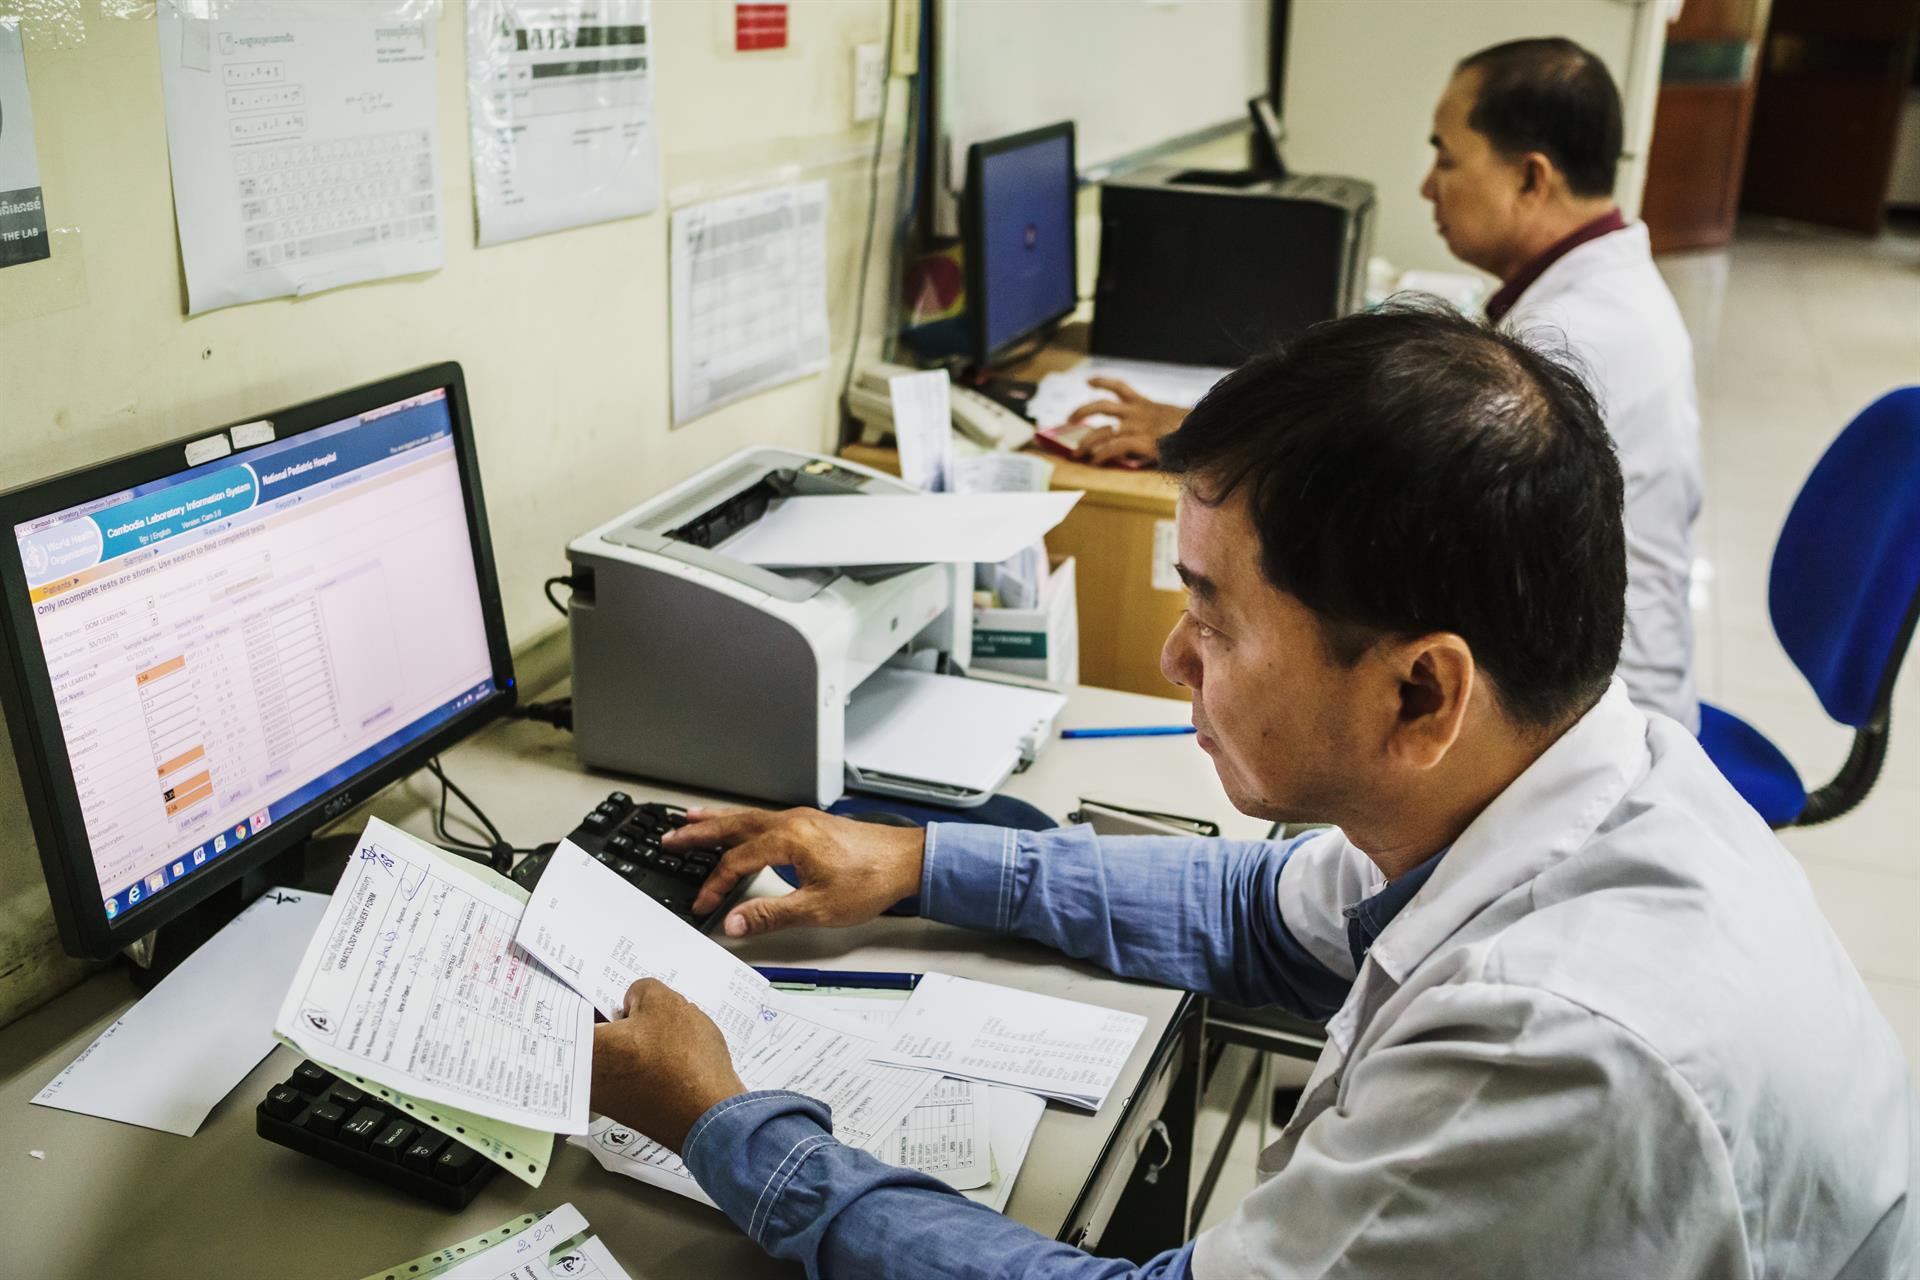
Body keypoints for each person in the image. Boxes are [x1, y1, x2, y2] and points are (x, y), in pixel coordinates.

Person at [588, 304, 1913, 1279]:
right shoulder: (1575, 769)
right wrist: (918, 861)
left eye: (1215, 618)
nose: (1175, 659)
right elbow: (1259, 912)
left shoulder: (1552, 1055)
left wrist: (724, 1125)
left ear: (1420, 693)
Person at [1070, 38, 1703, 731]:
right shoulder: (1605, 290)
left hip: (1590, 711)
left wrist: (1214, 449)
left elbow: (1385, 489)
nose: (1428, 186)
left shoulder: (1575, 337)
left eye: (1447, 159)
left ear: (1531, 178)